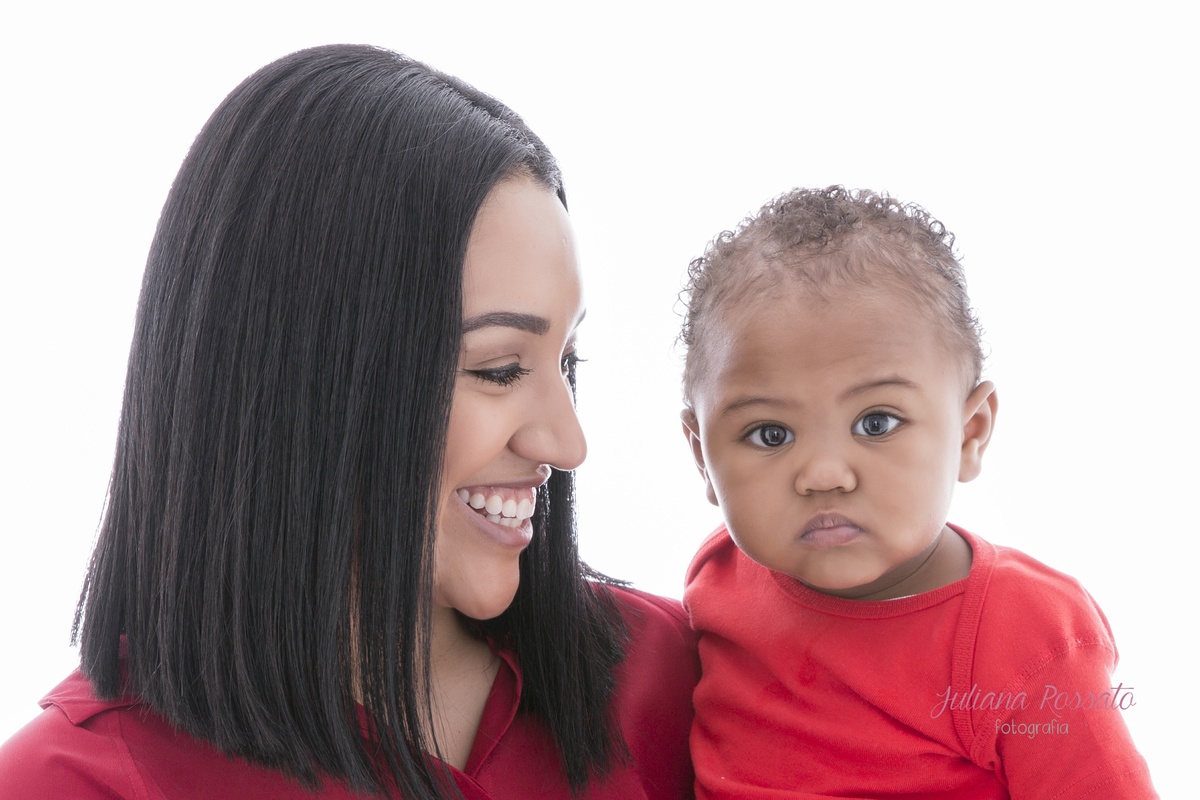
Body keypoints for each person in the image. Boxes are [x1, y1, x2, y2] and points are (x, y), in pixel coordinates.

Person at [0, 44, 697, 799]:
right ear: (301, 379)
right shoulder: (69, 783)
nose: (567, 444)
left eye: (567, 363)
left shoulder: (676, 675)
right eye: (499, 369)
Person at [678, 186, 1157, 799]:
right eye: (770, 434)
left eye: (876, 423)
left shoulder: (1029, 638)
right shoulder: (719, 579)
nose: (824, 474)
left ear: (970, 432)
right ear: (701, 455)